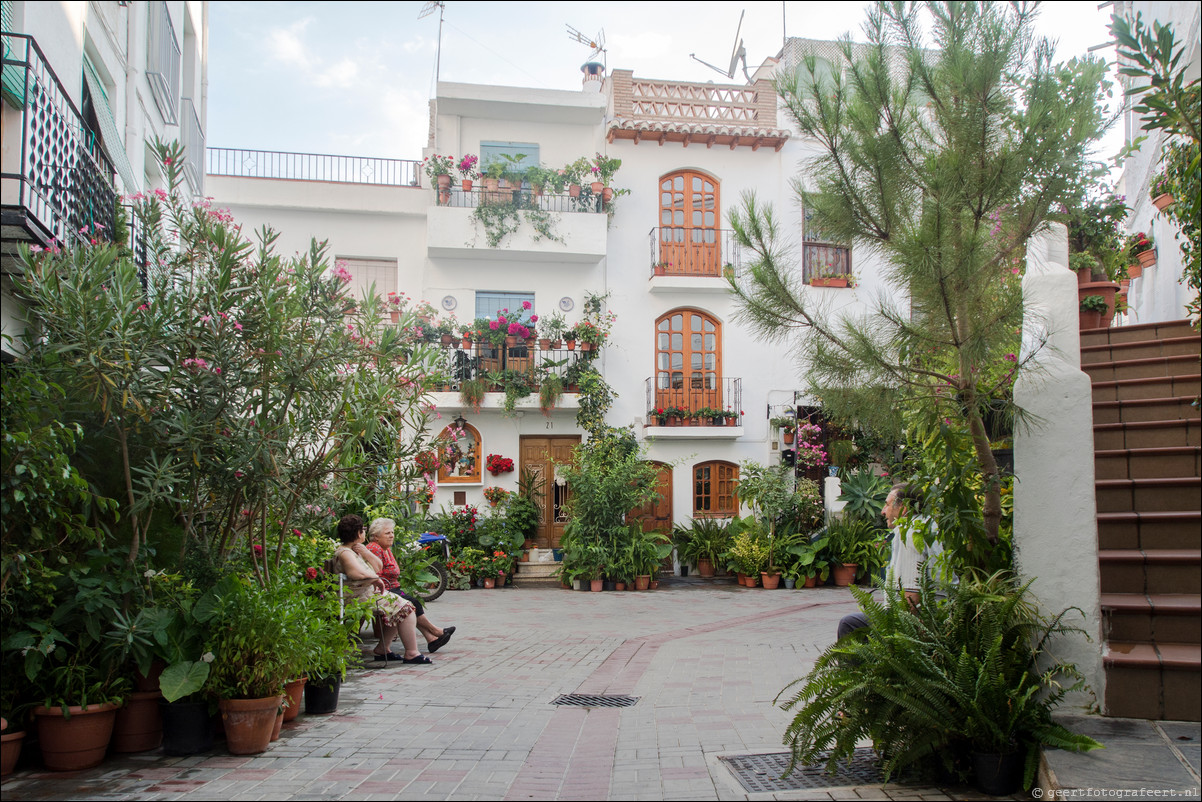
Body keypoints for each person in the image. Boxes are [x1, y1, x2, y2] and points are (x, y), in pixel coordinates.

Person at [836, 483, 942, 640]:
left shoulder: (910, 533)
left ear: (903, 508)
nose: (883, 511)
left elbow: (912, 594)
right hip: (940, 612)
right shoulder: (929, 524)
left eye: (886, 504)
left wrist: (907, 638)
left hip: (924, 620)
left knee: (850, 624)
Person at [332, 514, 432, 665]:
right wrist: (375, 579)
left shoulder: (355, 550)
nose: (364, 532)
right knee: (407, 609)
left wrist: (365, 553)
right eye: (363, 530)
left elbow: (378, 566)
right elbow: (355, 573)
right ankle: (411, 653)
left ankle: (384, 649)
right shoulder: (346, 553)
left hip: (366, 594)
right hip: (356, 598)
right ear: (358, 533)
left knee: (404, 606)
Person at [365, 517, 456, 653]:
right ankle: (435, 632)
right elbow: (375, 573)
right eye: (387, 533)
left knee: (412, 603)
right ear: (376, 536)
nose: (391, 536)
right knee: (411, 603)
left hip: (392, 587)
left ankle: (431, 638)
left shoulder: (386, 548)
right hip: (384, 589)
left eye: (392, 532)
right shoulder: (374, 548)